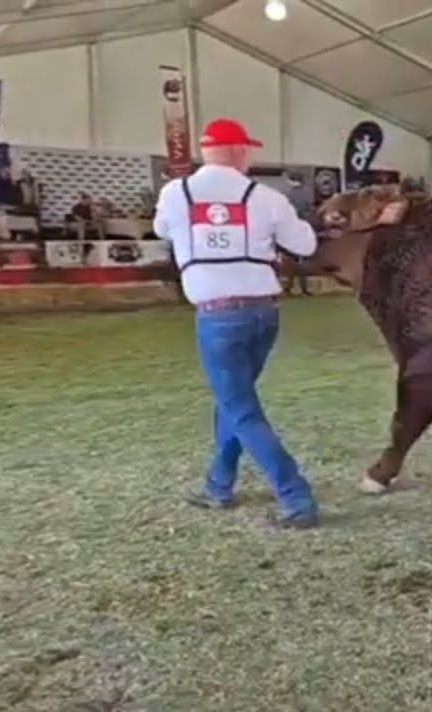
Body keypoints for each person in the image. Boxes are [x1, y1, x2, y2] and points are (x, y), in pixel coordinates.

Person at [152, 118, 320, 529]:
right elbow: (306, 245)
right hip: (264, 312)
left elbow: (162, 230)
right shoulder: (266, 196)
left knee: (239, 406)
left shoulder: (176, 193)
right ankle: (218, 485)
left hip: (217, 314)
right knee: (235, 400)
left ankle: (295, 497)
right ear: (239, 151)